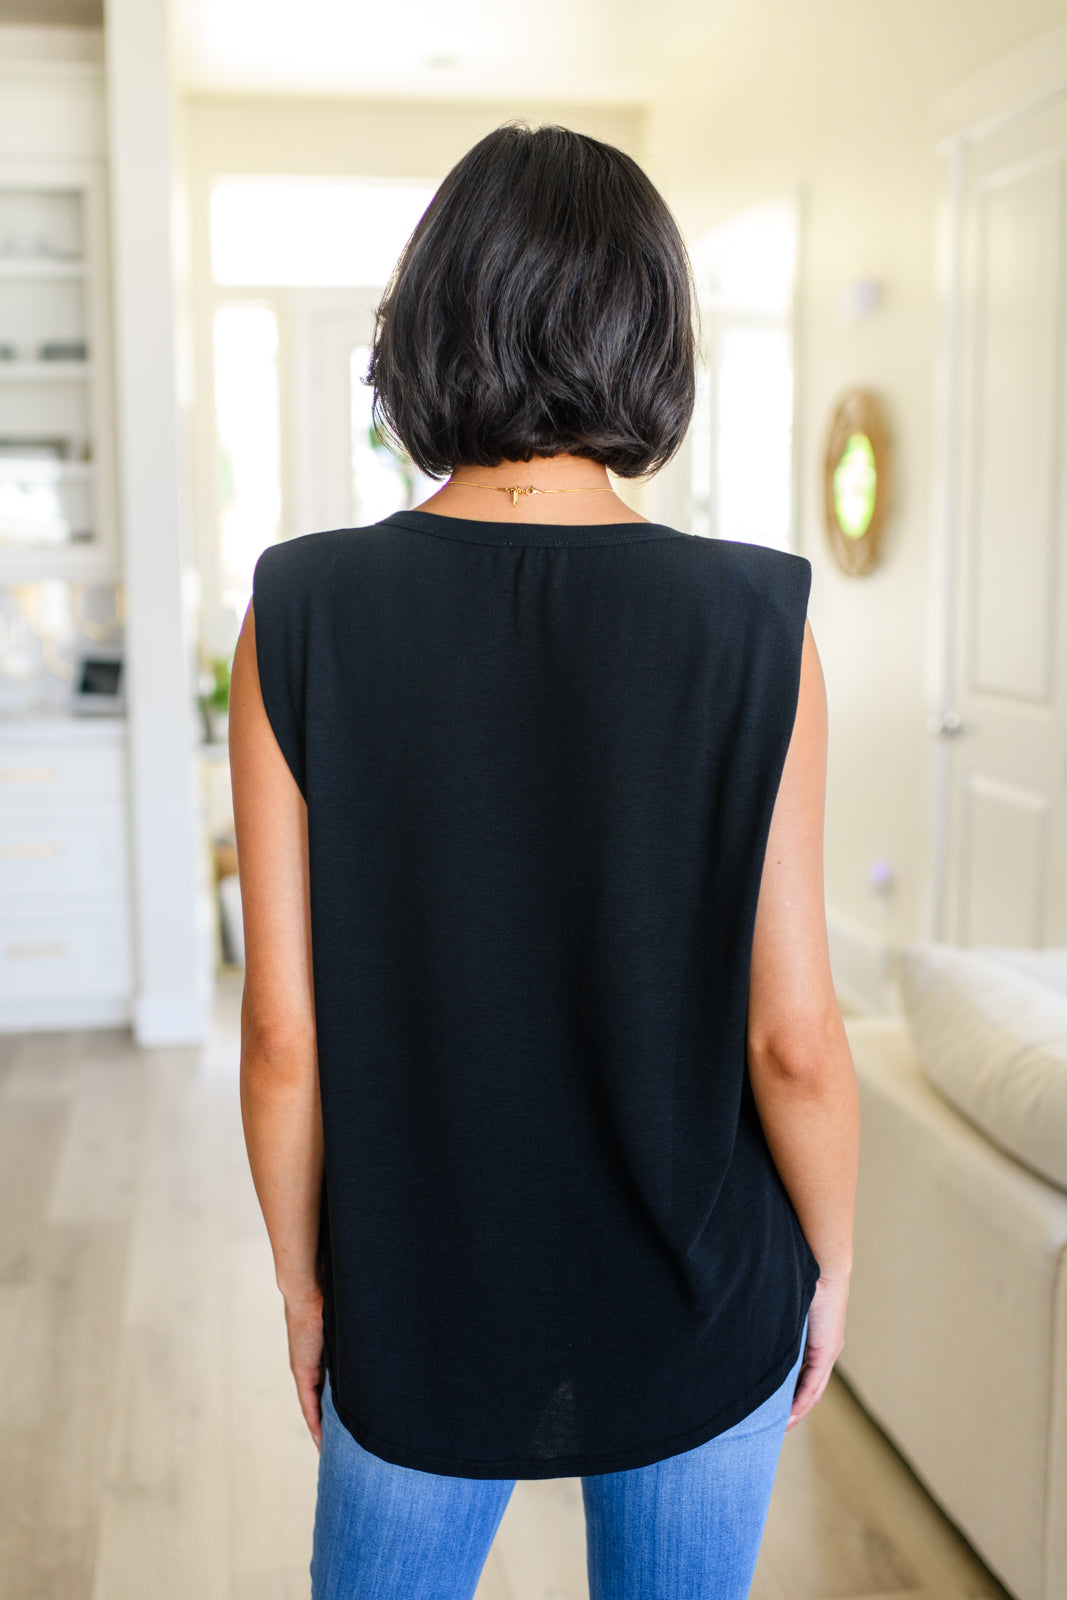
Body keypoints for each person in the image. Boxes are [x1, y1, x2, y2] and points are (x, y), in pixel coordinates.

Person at [229, 121, 860, 1600]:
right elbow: (794, 1039)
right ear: (651, 334)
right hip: (703, 1300)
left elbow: (279, 1039)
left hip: (417, 1308)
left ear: (429, 318)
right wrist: (830, 1264)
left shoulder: (299, 610)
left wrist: (306, 1287)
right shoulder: (757, 628)